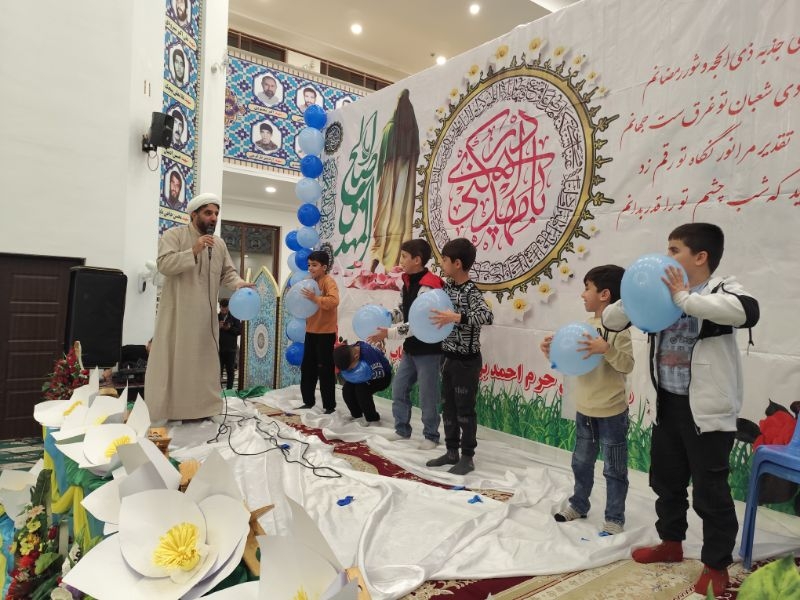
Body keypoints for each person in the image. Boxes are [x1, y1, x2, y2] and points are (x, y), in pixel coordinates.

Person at [602, 223, 760, 597]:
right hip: (667, 405)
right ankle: (671, 543)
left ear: (700, 257)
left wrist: (684, 299)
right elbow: (610, 321)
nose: (666, 256)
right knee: (666, 482)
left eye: (674, 250)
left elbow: (748, 312)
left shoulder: (722, 290)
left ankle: (716, 565)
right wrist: (633, 294)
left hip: (707, 413)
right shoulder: (658, 293)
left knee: (710, 492)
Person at [540, 265, 634, 536]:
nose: (582, 295)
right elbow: (571, 363)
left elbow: (627, 365)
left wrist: (606, 349)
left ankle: (614, 517)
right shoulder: (584, 327)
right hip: (585, 410)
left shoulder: (619, 330)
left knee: (614, 468)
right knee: (581, 462)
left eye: (587, 288)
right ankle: (579, 504)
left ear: (605, 294)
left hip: (612, 412)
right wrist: (551, 352)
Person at [145, 193, 254, 422]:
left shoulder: (219, 244)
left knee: (204, 365)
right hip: (178, 315)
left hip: (206, 319)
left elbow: (228, 273)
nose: (213, 217)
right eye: (208, 213)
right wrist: (193, 250)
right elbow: (164, 264)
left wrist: (239, 284)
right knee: (176, 363)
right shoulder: (174, 235)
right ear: (193, 214)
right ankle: (170, 410)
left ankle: (206, 409)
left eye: (216, 213)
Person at [426, 238, 493, 475]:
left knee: (465, 410)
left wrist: (457, 317)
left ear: (457, 263)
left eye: (444, 260)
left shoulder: (471, 291)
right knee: (448, 408)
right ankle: (451, 451)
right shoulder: (446, 289)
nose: (441, 264)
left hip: (466, 362)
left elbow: (487, 316)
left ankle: (467, 457)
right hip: (448, 358)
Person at [369, 239, 444, 449]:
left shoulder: (429, 286)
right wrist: (386, 316)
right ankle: (402, 430)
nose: (400, 260)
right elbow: (404, 310)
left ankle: (431, 435)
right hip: (411, 348)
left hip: (429, 350)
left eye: (404, 256)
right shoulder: (407, 281)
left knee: (428, 395)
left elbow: (420, 323)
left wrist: (388, 333)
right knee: (399, 388)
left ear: (417, 260)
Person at [370, 89, 419, 272]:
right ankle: (386, 262)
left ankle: (384, 262)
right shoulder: (410, 128)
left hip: (393, 177)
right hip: (402, 179)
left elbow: (382, 159)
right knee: (396, 215)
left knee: (387, 216)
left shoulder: (390, 128)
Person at [297, 250, 340, 413]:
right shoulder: (309, 282)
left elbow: (334, 301)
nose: (310, 268)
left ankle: (329, 406)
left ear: (324, 267)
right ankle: (308, 401)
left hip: (326, 334)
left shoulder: (329, 281)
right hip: (311, 332)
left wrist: (315, 298)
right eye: (309, 265)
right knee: (307, 368)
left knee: (325, 370)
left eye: (314, 265)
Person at [333, 341, 391, 425]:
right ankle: (356, 415)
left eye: (350, 369)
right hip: (363, 375)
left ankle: (373, 419)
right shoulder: (349, 351)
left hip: (382, 377)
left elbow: (380, 373)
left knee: (361, 389)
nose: (350, 371)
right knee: (347, 389)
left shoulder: (368, 355)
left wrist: (362, 379)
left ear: (356, 357)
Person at [218, 298, 241, 390]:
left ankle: (229, 390)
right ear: (220, 307)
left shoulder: (234, 318)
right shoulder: (216, 317)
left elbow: (239, 331)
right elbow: (210, 332)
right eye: (222, 308)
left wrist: (229, 328)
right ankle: (217, 389)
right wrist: (217, 327)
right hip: (219, 349)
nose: (224, 310)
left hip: (231, 349)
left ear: (229, 307)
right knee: (217, 371)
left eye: (226, 308)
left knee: (230, 371)